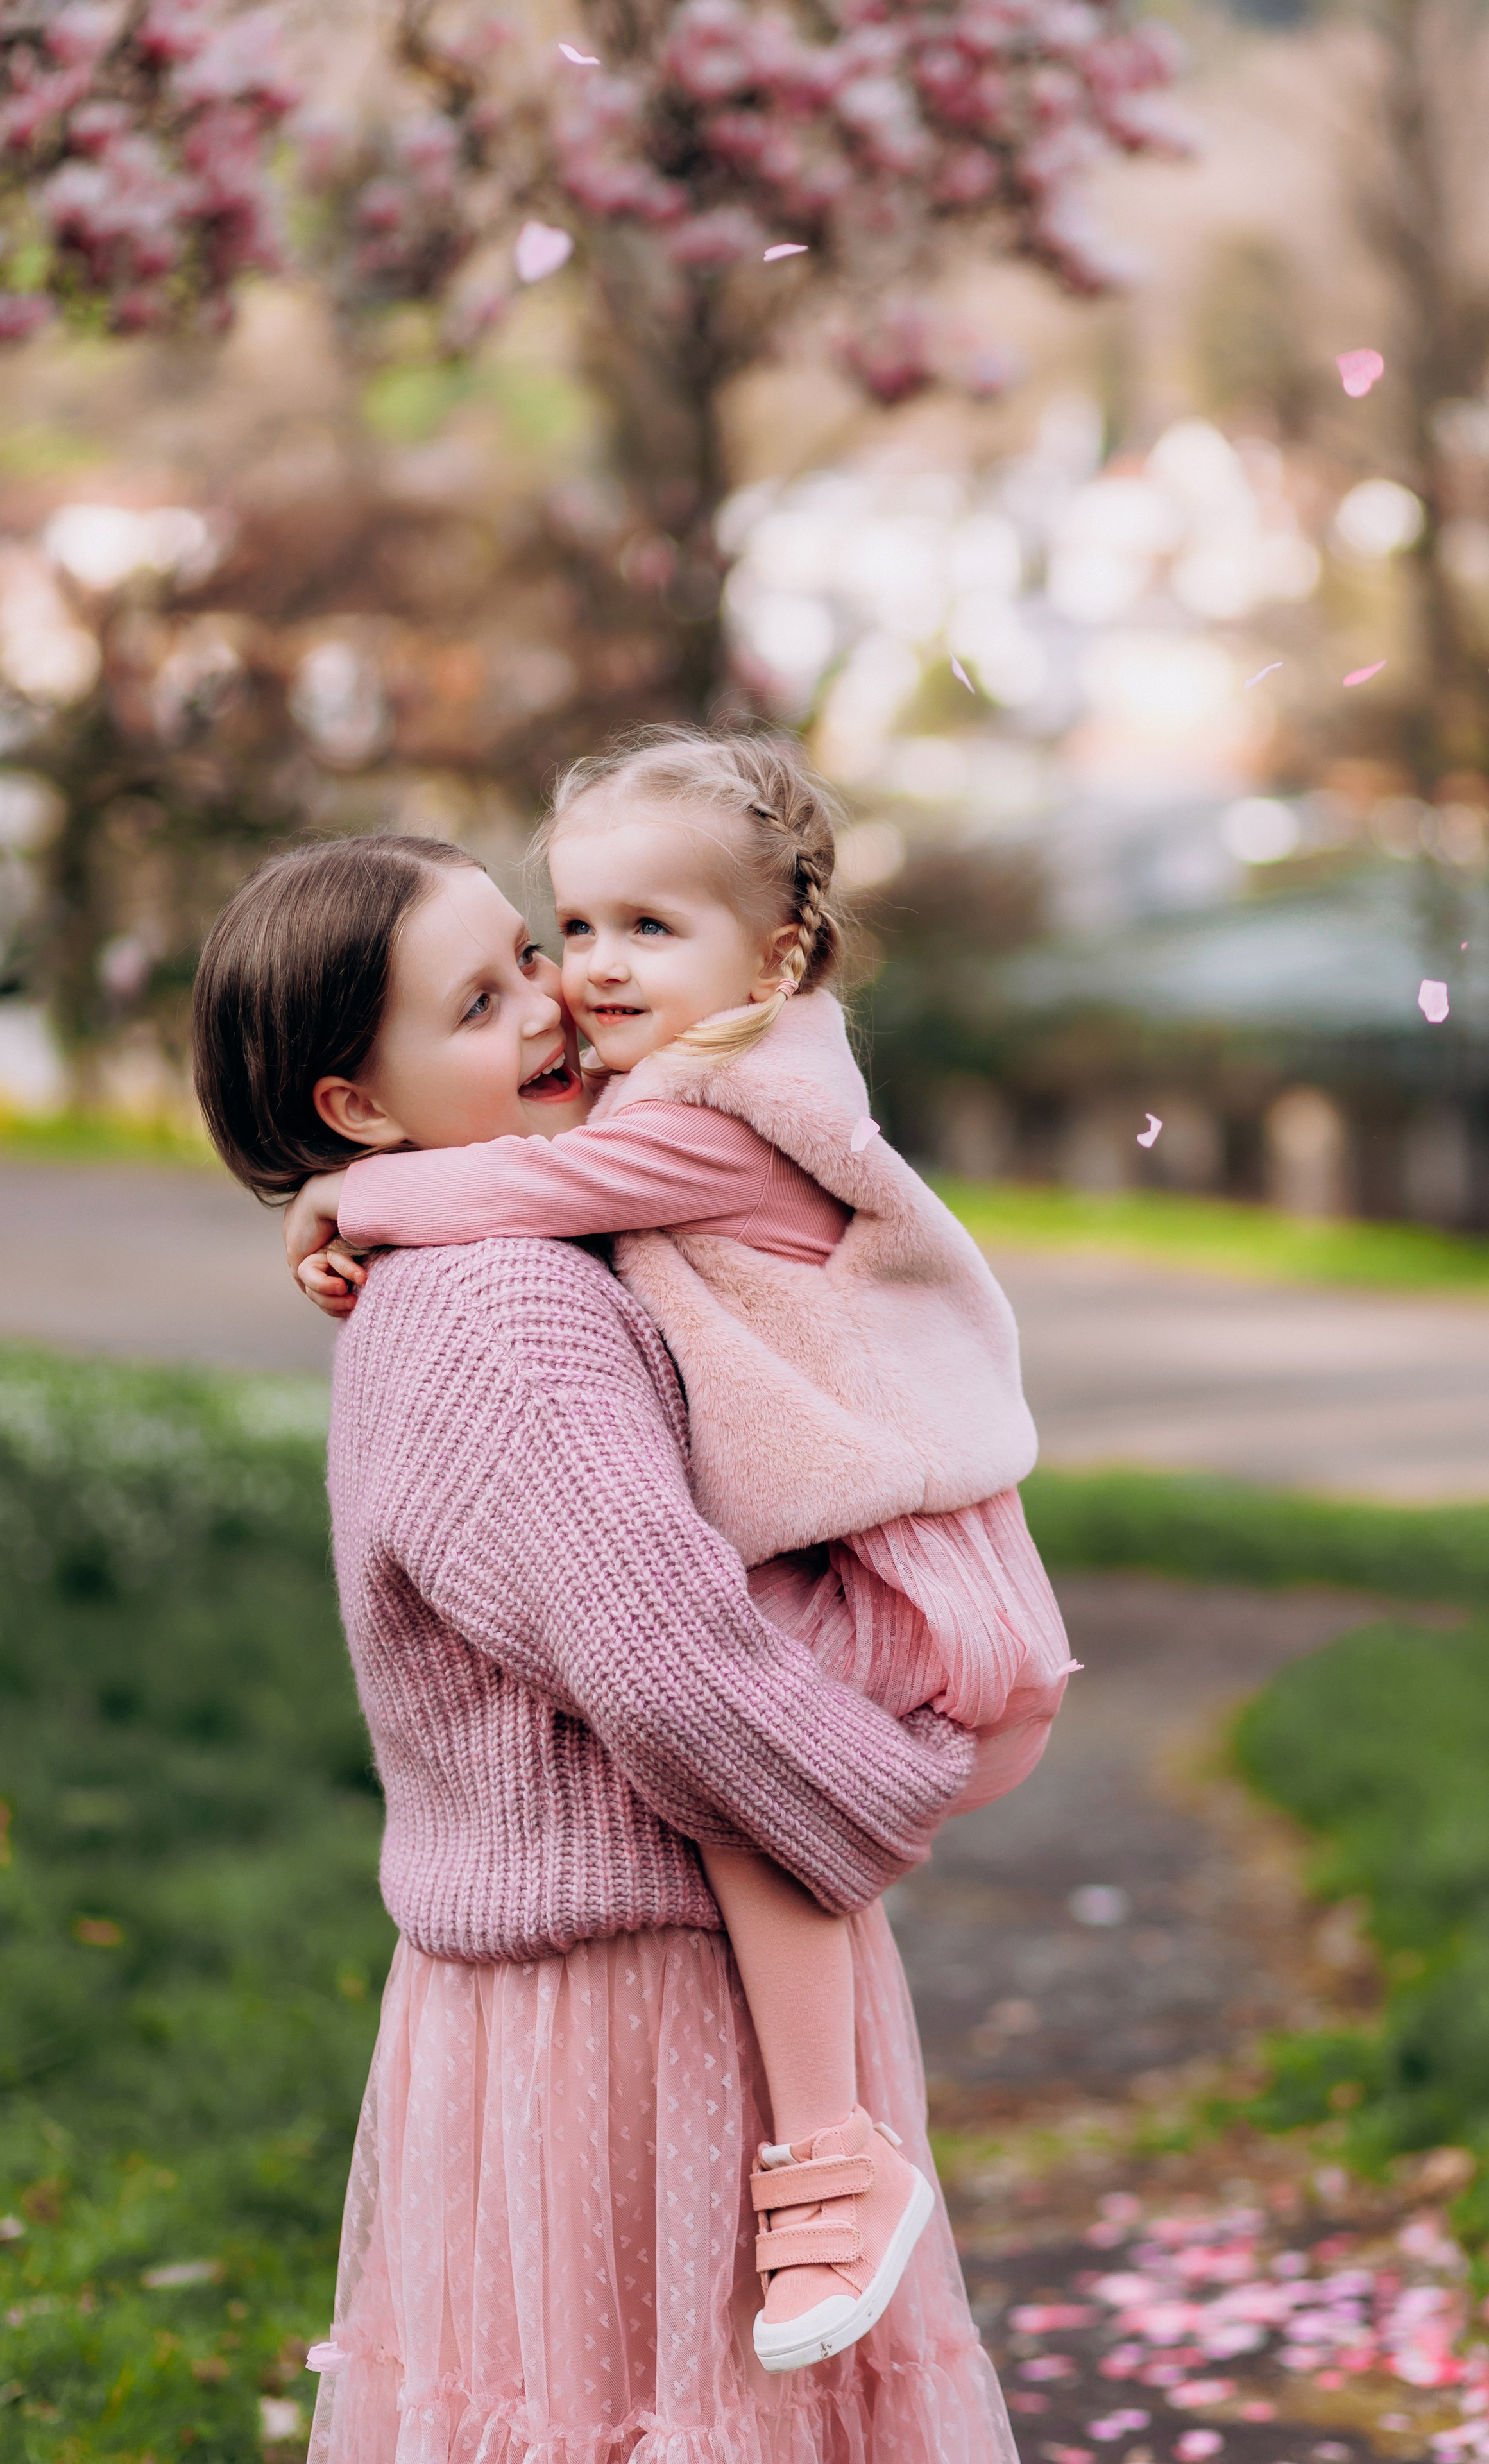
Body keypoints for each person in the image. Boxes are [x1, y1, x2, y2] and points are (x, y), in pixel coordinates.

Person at [191, 833, 1017, 2462]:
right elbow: (668, 1669)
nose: (549, 1003)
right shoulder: (509, 1307)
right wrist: (887, 1782)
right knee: (681, 2413)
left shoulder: (501, 1253)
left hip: (561, 1984)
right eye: (476, 1002)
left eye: (527, 953)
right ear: (359, 1105)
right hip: (638, 2001)